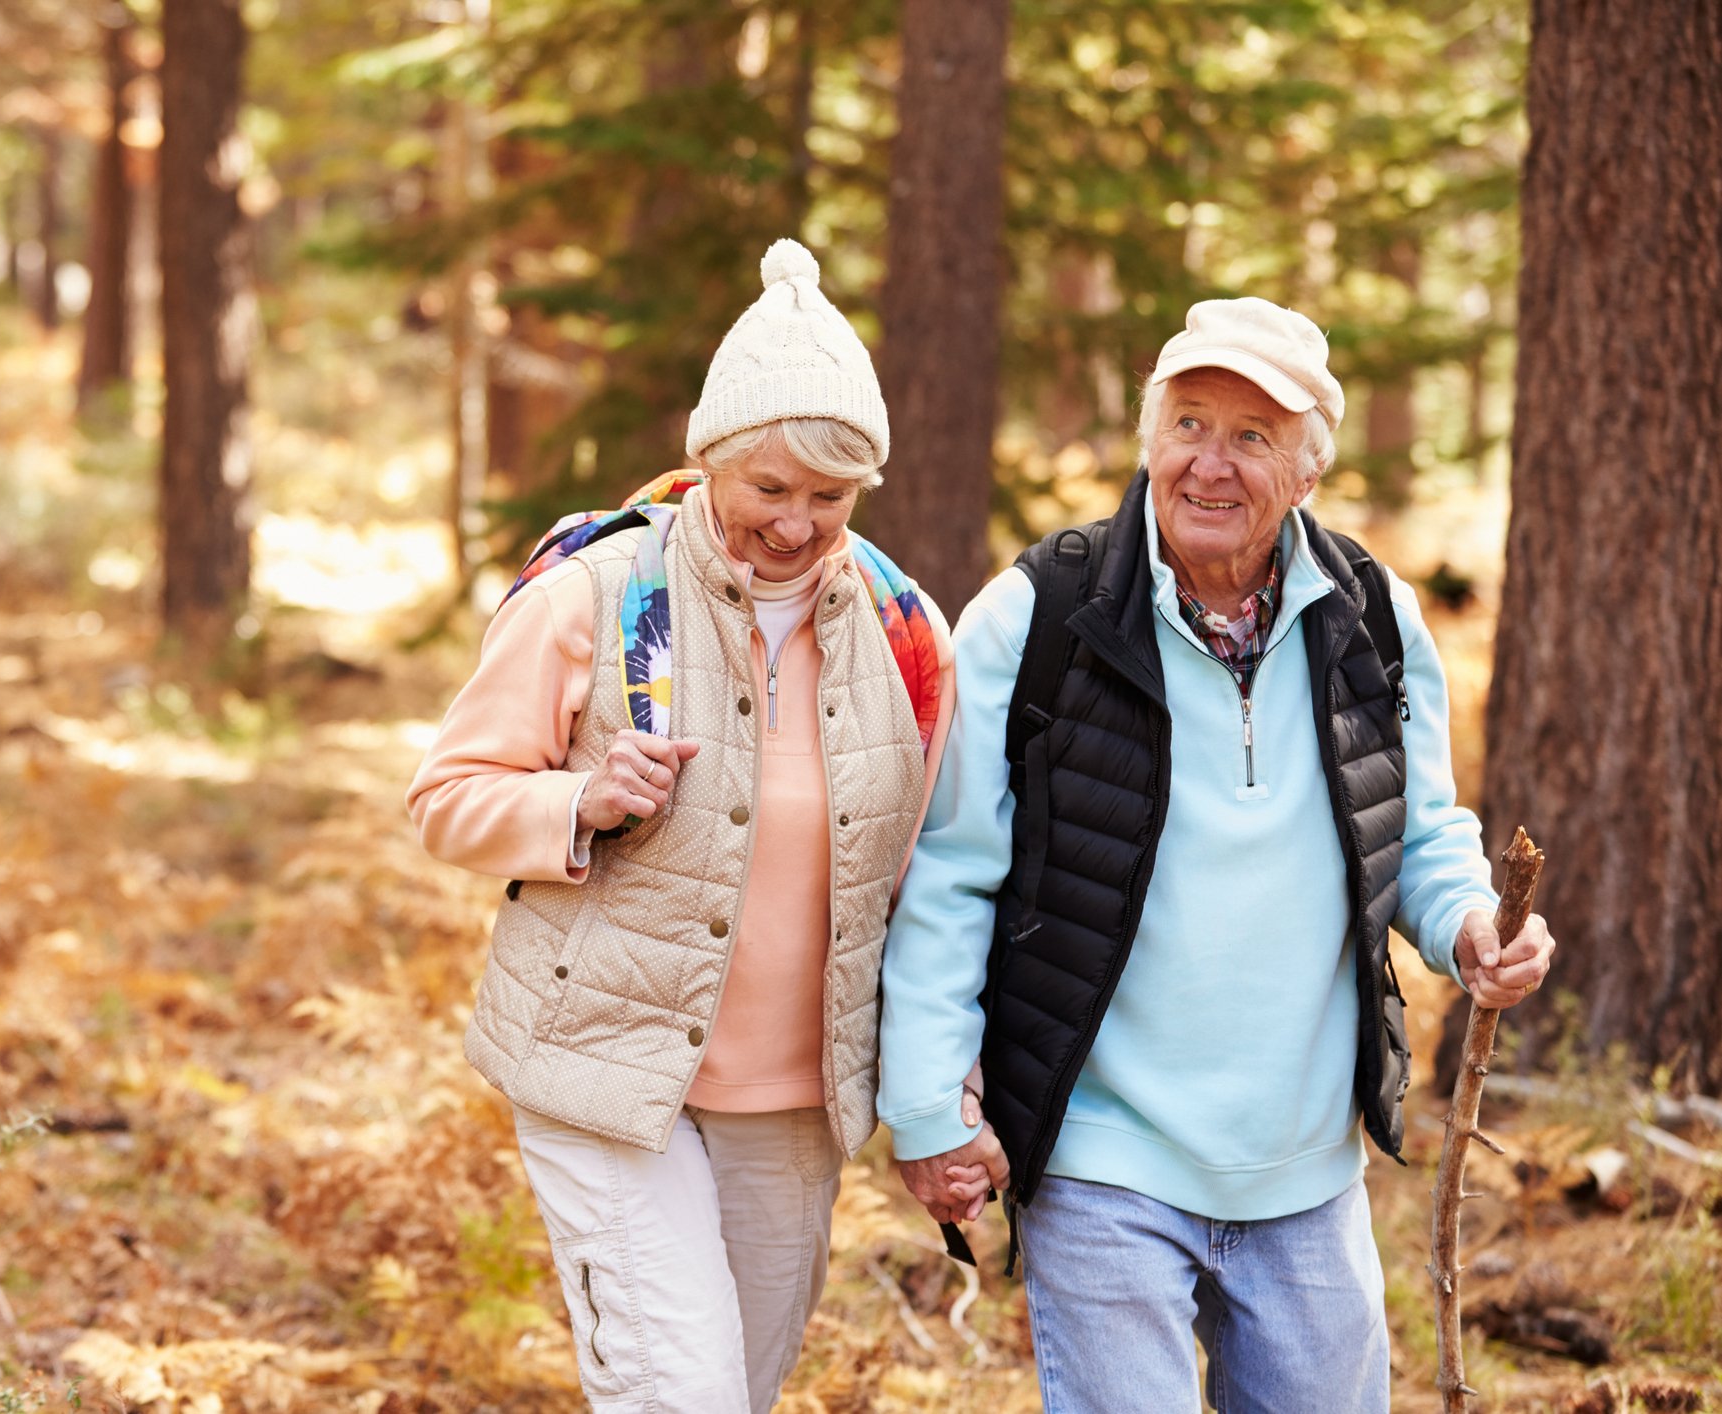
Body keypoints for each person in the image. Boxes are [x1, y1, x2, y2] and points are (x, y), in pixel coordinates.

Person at [875, 296, 1557, 1412]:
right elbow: (951, 872)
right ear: (1150, 440)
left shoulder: (1373, 617)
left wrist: (1472, 926)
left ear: (1308, 468)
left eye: (1252, 436)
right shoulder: (1035, 614)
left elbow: (1420, 829)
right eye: (1190, 423)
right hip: (1103, 1153)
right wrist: (925, 1104)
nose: (1211, 463)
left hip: (1306, 1169)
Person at [409, 238, 956, 1412]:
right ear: (708, 462)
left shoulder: (905, 632)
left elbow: (932, 879)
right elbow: (445, 799)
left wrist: (940, 1080)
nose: (798, 525)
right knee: (681, 1397)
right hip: (604, 1072)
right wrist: (578, 802)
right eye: (769, 488)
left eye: (830, 496)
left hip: (797, 1105)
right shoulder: (594, 598)